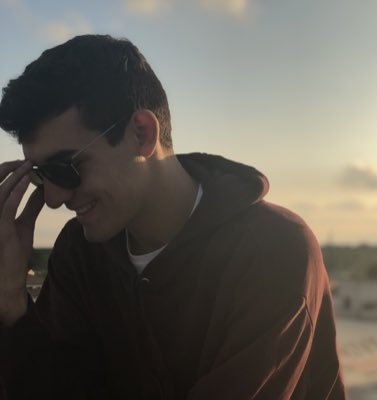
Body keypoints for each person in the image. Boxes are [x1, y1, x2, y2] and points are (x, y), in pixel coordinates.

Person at [0, 34, 346, 399]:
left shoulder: (273, 250)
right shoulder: (79, 251)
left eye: (65, 168)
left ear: (142, 133)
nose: (54, 198)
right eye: (41, 176)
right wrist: (10, 300)